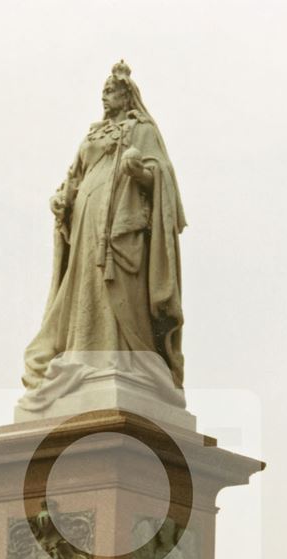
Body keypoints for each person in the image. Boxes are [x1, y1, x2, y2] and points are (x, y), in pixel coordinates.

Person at [22, 61, 187, 394]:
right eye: (103, 93)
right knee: (85, 284)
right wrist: (62, 198)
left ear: (127, 96)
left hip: (120, 227)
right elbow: (74, 176)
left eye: (111, 92)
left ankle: (122, 359)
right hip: (85, 223)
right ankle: (82, 356)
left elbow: (162, 174)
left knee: (118, 290)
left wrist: (140, 172)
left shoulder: (142, 129)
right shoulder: (93, 134)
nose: (105, 98)